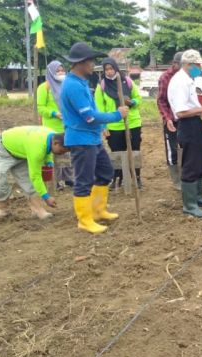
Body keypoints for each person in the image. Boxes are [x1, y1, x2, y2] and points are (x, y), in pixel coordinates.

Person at [59, 42, 128, 234]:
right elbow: (89, 116)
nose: (93, 65)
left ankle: (98, 211)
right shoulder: (73, 85)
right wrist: (116, 115)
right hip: (81, 140)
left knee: (105, 172)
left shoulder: (82, 83)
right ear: (80, 63)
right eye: (90, 61)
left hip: (92, 138)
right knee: (84, 180)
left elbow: (95, 112)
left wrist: (103, 125)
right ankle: (85, 220)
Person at [168, 49, 202, 218]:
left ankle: (198, 196)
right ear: (188, 64)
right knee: (191, 163)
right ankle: (189, 204)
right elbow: (181, 112)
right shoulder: (179, 82)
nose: (200, 68)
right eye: (198, 65)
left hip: (195, 123)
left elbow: (190, 106)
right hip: (187, 126)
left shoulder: (188, 80)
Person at [0, 126, 69, 220]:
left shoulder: (54, 135)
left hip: (21, 151)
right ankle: (2, 210)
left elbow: (47, 148)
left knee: (28, 181)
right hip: (1, 149)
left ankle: (37, 210)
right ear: (56, 143)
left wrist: (49, 161)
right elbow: (35, 176)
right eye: (62, 150)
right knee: (0, 180)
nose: (62, 153)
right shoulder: (37, 149)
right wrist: (46, 197)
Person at [95, 57, 144, 190]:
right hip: (113, 125)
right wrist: (103, 126)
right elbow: (99, 108)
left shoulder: (127, 81)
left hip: (132, 122)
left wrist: (132, 102)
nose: (110, 72)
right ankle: (117, 177)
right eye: (107, 69)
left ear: (116, 68)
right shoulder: (102, 86)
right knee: (117, 153)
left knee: (134, 151)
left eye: (111, 69)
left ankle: (137, 177)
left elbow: (138, 98)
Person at [37, 60, 74, 190]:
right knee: (54, 153)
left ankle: (69, 179)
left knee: (68, 152)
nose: (60, 73)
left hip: (67, 125)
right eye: (57, 71)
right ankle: (57, 181)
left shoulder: (66, 85)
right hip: (51, 127)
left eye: (62, 70)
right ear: (51, 72)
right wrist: (54, 113)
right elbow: (40, 108)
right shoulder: (44, 88)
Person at [157, 51, 184, 190]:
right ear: (175, 64)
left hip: (184, 119)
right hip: (171, 120)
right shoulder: (165, 78)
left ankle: (185, 175)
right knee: (172, 149)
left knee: (185, 147)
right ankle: (176, 179)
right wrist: (167, 118)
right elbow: (161, 101)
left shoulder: (185, 77)